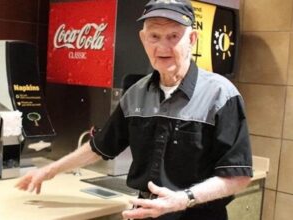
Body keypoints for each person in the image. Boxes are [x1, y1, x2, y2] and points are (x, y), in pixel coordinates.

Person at [15, 0, 253, 219]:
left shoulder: (221, 95)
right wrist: (50, 170)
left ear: (191, 39)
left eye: (173, 36)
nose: (163, 46)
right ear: (143, 39)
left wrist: (182, 200)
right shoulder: (136, 94)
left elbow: (238, 176)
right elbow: (99, 147)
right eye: (155, 36)